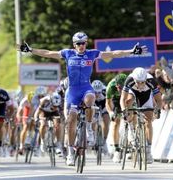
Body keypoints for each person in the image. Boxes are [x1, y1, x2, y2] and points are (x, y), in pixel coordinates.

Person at [17, 31, 147, 166]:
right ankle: (71, 154)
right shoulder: (68, 53)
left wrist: (131, 51)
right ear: (74, 45)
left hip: (86, 88)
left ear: (86, 43)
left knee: (90, 100)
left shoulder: (92, 53)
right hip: (72, 91)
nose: (81, 46)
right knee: (71, 120)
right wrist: (31, 50)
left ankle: (89, 128)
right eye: (78, 44)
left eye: (83, 43)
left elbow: (113, 54)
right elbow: (48, 53)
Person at [120, 67, 163, 164]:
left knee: (148, 120)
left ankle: (148, 150)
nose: (140, 85)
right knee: (128, 102)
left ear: (146, 80)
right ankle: (131, 129)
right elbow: (122, 99)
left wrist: (158, 110)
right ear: (134, 79)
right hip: (133, 94)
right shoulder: (129, 80)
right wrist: (124, 110)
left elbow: (159, 100)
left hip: (146, 96)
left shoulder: (151, 81)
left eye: (142, 82)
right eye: (137, 82)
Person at [105, 73, 127, 163]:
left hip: (127, 98)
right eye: (118, 87)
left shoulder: (130, 84)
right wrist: (110, 112)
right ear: (116, 84)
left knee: (132, 115)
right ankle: (117, 150)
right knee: (115, 122)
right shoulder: (111, 86)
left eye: (122, 88)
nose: (119, 90)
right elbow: (108, 103)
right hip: (116, 100)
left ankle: (132, 136)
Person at [91, 79, 109, 152]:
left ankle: (104, 141)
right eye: (95, 92)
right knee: (93, 120)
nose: (97, 94)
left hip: (103, 104)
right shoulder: (89, 92)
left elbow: (109, 103)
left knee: (106, 120)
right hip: (93, 103)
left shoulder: (105, 91)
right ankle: (93, 137)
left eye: (99, 92)